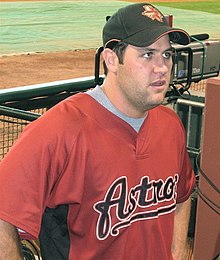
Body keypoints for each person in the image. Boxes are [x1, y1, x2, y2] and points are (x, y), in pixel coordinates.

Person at [0, 3, 195, 260]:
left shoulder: (170, 125)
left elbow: (182, 196)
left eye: (167, 55)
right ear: (112, 60)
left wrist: (177, 252)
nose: (162, 67)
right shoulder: (59, 130)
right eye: (148, 55)